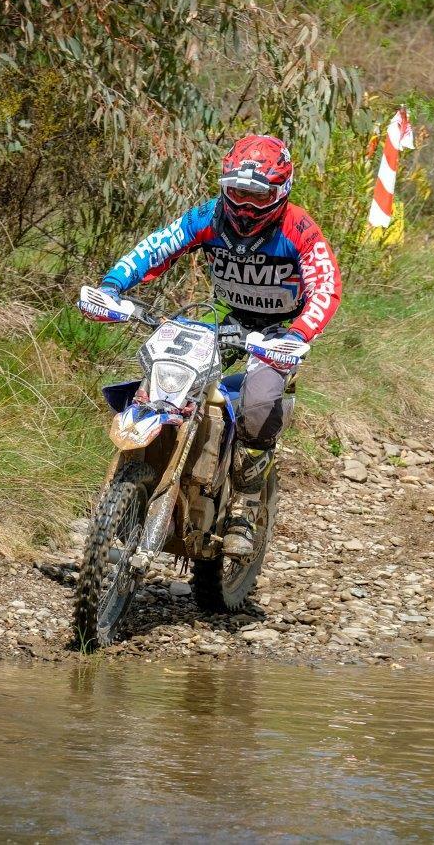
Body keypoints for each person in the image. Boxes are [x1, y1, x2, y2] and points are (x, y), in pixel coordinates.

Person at [96, 134, 341, 556]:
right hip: (225, 319)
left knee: (259, 401)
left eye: (256, 195)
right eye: (236, 192)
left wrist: (299, 336)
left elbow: (326, 286)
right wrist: (112, 286)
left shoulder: (298, 229)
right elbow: (158, 245)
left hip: (281, 332)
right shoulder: (210, 215)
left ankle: (245, 505)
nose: (244, 206)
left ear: (280, 193)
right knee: (166, 363)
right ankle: (144, 467)